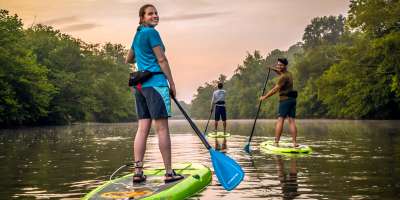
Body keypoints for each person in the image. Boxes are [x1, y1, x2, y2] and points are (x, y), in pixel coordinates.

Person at [125, 4, 183, 183]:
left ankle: (138, 172)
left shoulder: (138, 34)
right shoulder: (151, 33)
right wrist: (171, 83)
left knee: (142, 129)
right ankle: (168, 172)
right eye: (150, 14)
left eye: (156, 13)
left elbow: (128, 59)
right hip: (156, 84)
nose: (155, 16)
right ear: (142, 17)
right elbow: (162, 59)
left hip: (140, 87)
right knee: (162, 129)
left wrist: (142, 54)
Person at [259, 58, 298, 147]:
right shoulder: (289, 74)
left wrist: (264, 97)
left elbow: (275, 89)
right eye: (278, 65)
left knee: (280, 120)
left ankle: (276, 142)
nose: (278, 66)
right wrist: (273, 69)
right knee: (291, 120)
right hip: (292, 100)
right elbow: (280, 72)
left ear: (285, 66)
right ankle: (295, 143)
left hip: (285, 100)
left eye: (281, 65)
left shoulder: (283, 77)